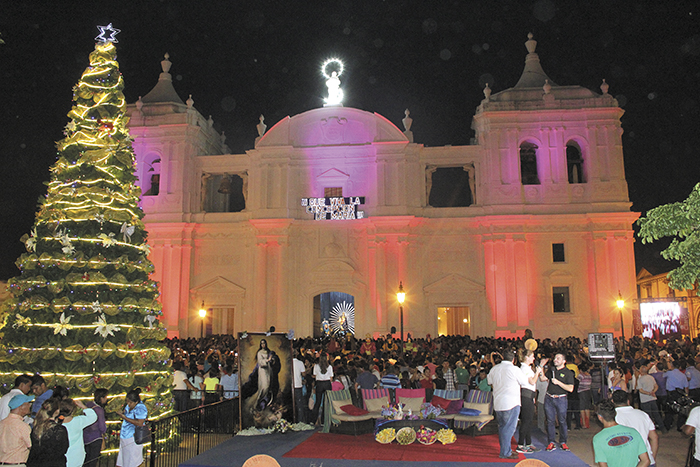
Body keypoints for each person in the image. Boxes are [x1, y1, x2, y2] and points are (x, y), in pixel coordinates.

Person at [487, 348, 529, 460]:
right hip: (511, 403)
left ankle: (507, 450)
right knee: (509, 429)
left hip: (498, 403)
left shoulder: (495, 369)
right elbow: (524, 383)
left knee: (502, 427)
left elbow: (489, 382)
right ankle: (505, 452)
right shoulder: (514, 369)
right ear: (513, 360)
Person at [593, 399, 650, 467]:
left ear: (599, 417)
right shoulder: (633, 432)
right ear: (615, 413)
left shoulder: (598, 438)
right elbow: (646, 460)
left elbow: (603, 465)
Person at [612, 390, 658, 466]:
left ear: (612, 401)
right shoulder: (643, 414)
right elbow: (654, 437)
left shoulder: (613, 417)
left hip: (626, 461)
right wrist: (651, 458)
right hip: (646, 459)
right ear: (628, 401)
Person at [540, 352, 575, 452]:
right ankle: (551, 441)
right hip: (549, 398)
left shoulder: (568, 373)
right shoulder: (551, 370)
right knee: (550, 421)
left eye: (558, 358)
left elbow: (570, 388)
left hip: (561, 399)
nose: (555, 360)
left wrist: (558, 382)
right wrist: (541, 368)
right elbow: (542, 379)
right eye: (555, 358)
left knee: (562, 420)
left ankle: (563, 441)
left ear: (564, 361)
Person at [516, 348, 544, 453]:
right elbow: (532, 381)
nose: (533, 358)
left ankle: (527, 443)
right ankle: (520, 445)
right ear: (527, 357)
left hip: (529, 396)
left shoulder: (526, 368)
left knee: (528, 421)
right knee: (526, 421)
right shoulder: (525, 369)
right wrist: (537, 372)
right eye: (532, 356)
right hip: (526, 396)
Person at [27, 398, 68, 467]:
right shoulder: (59, 429)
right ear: (57, 411)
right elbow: (63, 449)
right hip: (54, 463)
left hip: (35, 463)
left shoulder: (36, 427)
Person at [116, 389, 148, 467]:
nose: (128, 404)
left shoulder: (140, 407)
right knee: (123, 459)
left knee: (131, 460)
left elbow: (140, 423)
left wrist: (124, 417)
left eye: (130, 402)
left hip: (133, 437)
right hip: (125, 436)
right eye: (127, 401)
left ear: (136, 402)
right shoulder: (129, 406)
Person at [61, 398, 97, 467]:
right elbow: (93, 417)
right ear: (73, 411)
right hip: (77, 457)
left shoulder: (57, 424)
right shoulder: (78, 421)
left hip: (62, 457)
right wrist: (83, 406)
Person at [0, 394, 34, 466]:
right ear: (21, 407)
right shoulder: (22, 426)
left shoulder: (2, 423)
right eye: (28, 403)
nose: (30, 406)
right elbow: (31, 446)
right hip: (17, 464)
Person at [82, 389, 108, 467]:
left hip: (86, 437)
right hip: (95, 438)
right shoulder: (99, 410)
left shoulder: (89, 404)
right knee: (92, 461)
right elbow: (102, 427)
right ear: (101, 398)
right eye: (106, 397)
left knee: (86, 460)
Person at [636, 360, 664, 431]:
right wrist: (653, 392)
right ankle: (662, 428)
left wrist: (648, 393)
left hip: (645, 400)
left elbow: (640, 390)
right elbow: (656, 386)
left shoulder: (640, 379)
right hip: (653, 398)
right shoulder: (651, 377)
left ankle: (651, 429)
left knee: (648, 415)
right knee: (656, 414)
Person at [312, 354, 333, 425]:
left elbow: (314, 376)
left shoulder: (316, 366)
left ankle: (313, 420)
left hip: (319, 384)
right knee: (326, 402)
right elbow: (331, 378)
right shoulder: (329, 367)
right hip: (327, 383)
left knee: (317, 402)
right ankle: (324, 421)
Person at [292, 352, 306, 423]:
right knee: (299, 404)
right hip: (298, 385)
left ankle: (292, 420)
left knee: (291, 404)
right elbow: (303, 374)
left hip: (290, 386)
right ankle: (300, 421)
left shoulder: (288, 363)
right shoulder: (300, 363)